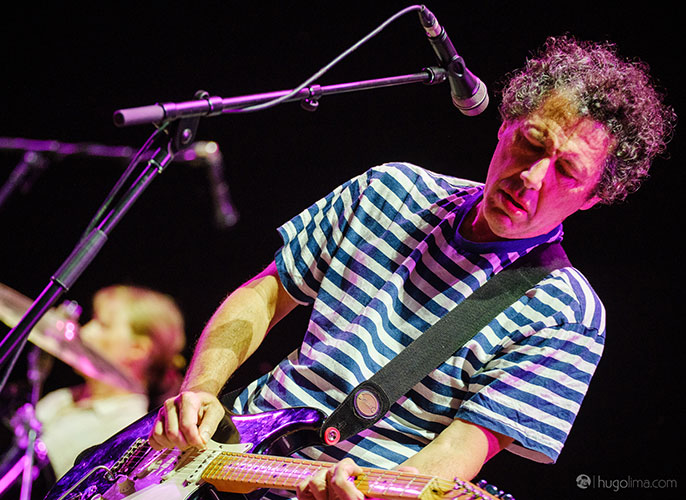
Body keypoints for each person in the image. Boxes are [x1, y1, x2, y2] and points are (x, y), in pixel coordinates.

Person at [148, 35, 676, 499]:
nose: (532, 177)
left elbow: (462, 449)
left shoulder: (567, 313)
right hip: (215, 452)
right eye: (531, 142)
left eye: (567, 171)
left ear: (594, 197)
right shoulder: (391, 189)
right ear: (505, 125)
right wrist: (200, 390)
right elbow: (266, 294)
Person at [35, 285, 186, 478]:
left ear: (137, 349)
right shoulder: (65, 396)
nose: (85, 331)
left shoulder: (124, 432)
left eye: (103, 325)